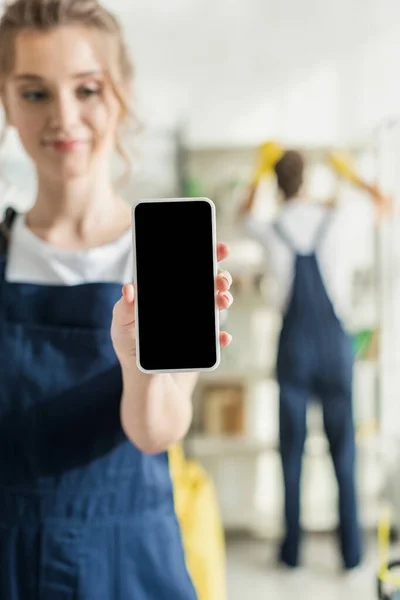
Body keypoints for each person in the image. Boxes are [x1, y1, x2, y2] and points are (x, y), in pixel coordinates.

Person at [0, 1, 234, 598]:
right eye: (34, 94)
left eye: (87, 89)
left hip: (130, 562)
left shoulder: (161, 257)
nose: (64, 117)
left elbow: (156, 432)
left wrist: (138, 364)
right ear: (5, 100)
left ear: (121, 92)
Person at [238, 148, 384, 571]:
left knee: (291, 452)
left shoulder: (270, 227)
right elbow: (384, 204)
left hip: (293, 349)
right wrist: (351, 173)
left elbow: (242, 214)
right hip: (334, 348)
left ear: (277, 183)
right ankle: (352, 554)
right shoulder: (337, 219)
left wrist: (257, 170)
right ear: (306, 181)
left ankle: (291, 553)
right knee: (345, 453)